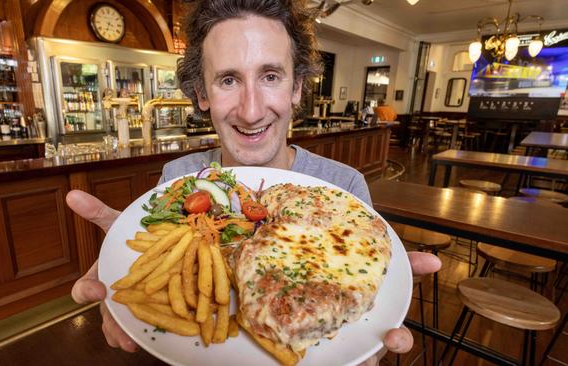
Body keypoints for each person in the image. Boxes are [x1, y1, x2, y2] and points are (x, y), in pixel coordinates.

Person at [67, 1, 441, 364]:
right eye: (228, 79)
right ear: (202, 95)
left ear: (297, 88)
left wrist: (368, 329)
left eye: (271, 76)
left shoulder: (344, 185)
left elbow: (364, 291)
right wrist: (124, 269)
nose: (251, 110)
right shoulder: (177, 179)